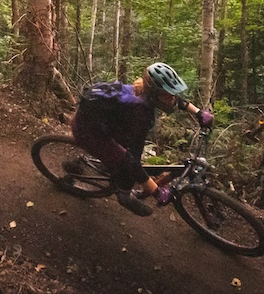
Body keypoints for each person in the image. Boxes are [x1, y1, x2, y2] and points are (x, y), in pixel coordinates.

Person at [70, 62, 214, 216]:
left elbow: (175, 100)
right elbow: (132, 159)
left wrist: (198, 112)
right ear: (155, 93)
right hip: (88, 130)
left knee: (123, 159)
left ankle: (108, 167)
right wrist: (156, 191)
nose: (172, 99)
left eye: (172, 93)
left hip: (107, 121)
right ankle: (123, 195)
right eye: (167, 95)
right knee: (126, 163)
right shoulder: (141, 113)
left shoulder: (146, 92)